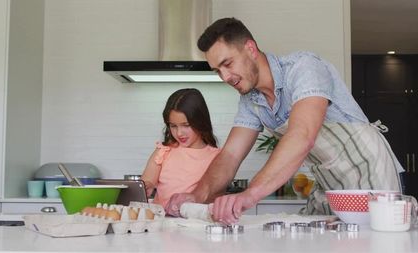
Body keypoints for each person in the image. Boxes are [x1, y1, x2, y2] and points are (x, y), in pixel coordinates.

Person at [166, 17, 403, 224]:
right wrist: (196, 196)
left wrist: (249, 194)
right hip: (329, 185)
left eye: (227, 64)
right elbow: (230, 156)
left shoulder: (304, 68)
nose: (225, 77)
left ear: (250, 48)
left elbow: (302, 136)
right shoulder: (252, 101)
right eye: (217, 71)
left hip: (370, 174)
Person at [140, 88, 220, 210]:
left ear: (200, 121)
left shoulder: (216, 157)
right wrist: (147, 186)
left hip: (195, 224)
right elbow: (147, 181)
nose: (179, 133)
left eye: (186, 125)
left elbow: (214, 195)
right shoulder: (163, 151)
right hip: (162, 223)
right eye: (173, 126)